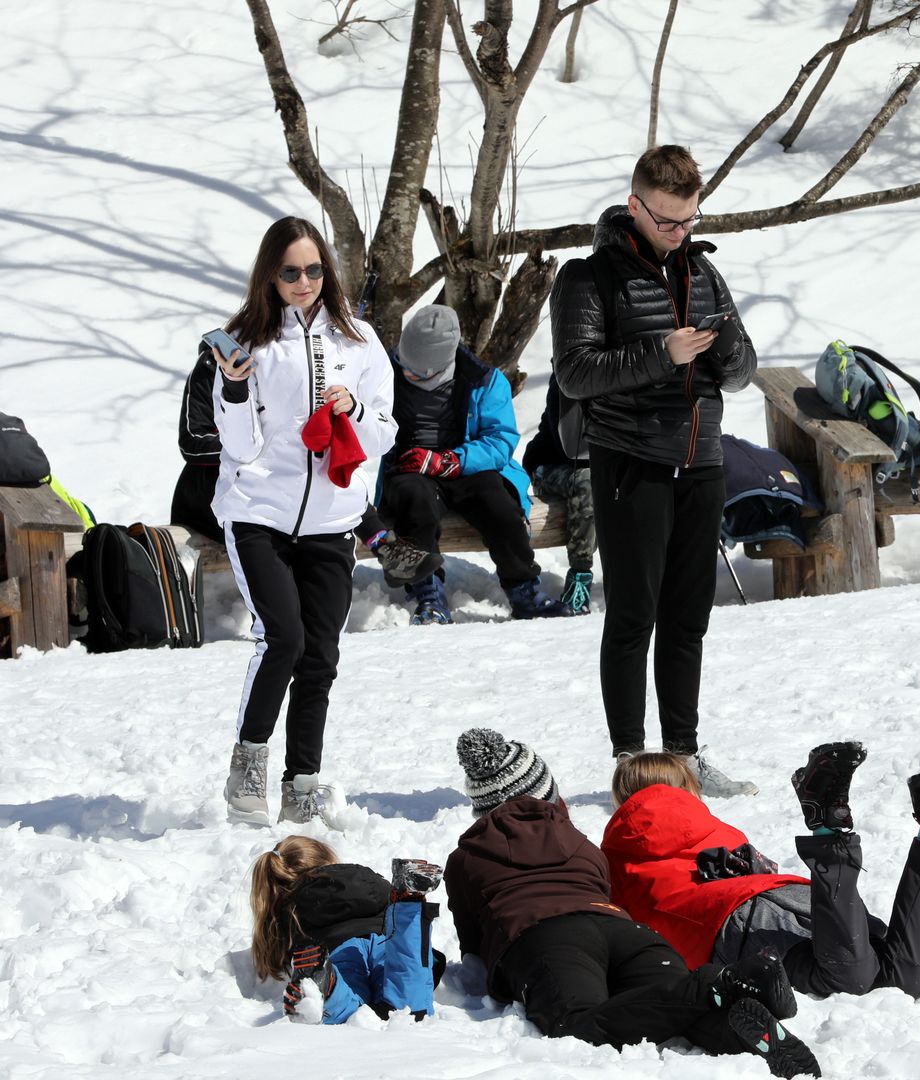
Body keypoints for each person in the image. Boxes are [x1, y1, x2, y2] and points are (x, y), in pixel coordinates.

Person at [549, 144, 758, 795]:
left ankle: (685, 757)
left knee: (688, 617)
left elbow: (745, 368)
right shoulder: (588, 278)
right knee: (633, 615)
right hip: (629, 462)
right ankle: (631, 763)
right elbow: (576, 373)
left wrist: (722, 346)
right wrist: (660, 354)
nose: (678, 233)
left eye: (688, 220)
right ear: (635, 206)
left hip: (702, 460)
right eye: (666, 221)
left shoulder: (704, 273)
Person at [443, 728, 821, 1078]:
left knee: (575, 1023)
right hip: (627, 933)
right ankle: (737, 1027)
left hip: (546, 939)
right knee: (679, 1015)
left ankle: (718, 984)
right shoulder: (581, 844)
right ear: (548, 792)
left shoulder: (468, 857)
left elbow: (474, 951)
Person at [213, 215, 398, 826]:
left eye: (314, 269)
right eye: (290, 270)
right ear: (270, 273)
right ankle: (248, 766)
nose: (303, 281)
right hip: (259, 513)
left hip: (331, 521)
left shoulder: (360, 341)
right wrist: (235, 391)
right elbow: (239, 447)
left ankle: (304, 782)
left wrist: (357, 407)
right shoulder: (247, 342)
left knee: (320, 653)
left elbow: (382, 434)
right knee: (283, 638)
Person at [602, 742, 920, 1000]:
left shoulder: (615, 857)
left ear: (624, 797)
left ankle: (827, 823)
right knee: (904, 977)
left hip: (735, 926)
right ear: (688, 791)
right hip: (800, 898)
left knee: (853, 979)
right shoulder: (711, 826)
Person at [174, 342, 439, 583]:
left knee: (318, 471)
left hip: (278, 487)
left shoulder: (278, 363)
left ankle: (385, 546)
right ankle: (381, 545)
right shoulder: (209, 370)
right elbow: (192, 441)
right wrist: (254, 446)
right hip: (212, 491)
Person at [376, 304, 564, 625]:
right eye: (405, 366)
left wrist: (447, 461)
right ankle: (426, 591)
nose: (409, 375)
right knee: (413, 501)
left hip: (466, 465)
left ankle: (523, 588)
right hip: (410, 468)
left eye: (420, 373)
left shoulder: (484, 381)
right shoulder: (385, 373)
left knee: (498, 504)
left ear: (446, 363)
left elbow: (500, 441)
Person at [249, 836, 446, 1024]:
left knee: (352, 1006)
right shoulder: (363, 879)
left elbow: (275, 954)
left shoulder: (291, 905)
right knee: (407, 1007)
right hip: (383, 938)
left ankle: (327, 987)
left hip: (336, 946)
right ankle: (409, 903)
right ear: (329, 861)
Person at [520, 374, 596, 616]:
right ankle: (580, 578)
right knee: (589, 483)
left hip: (598, 465)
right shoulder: (570, 372)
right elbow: (573, 448)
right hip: (552, 464)